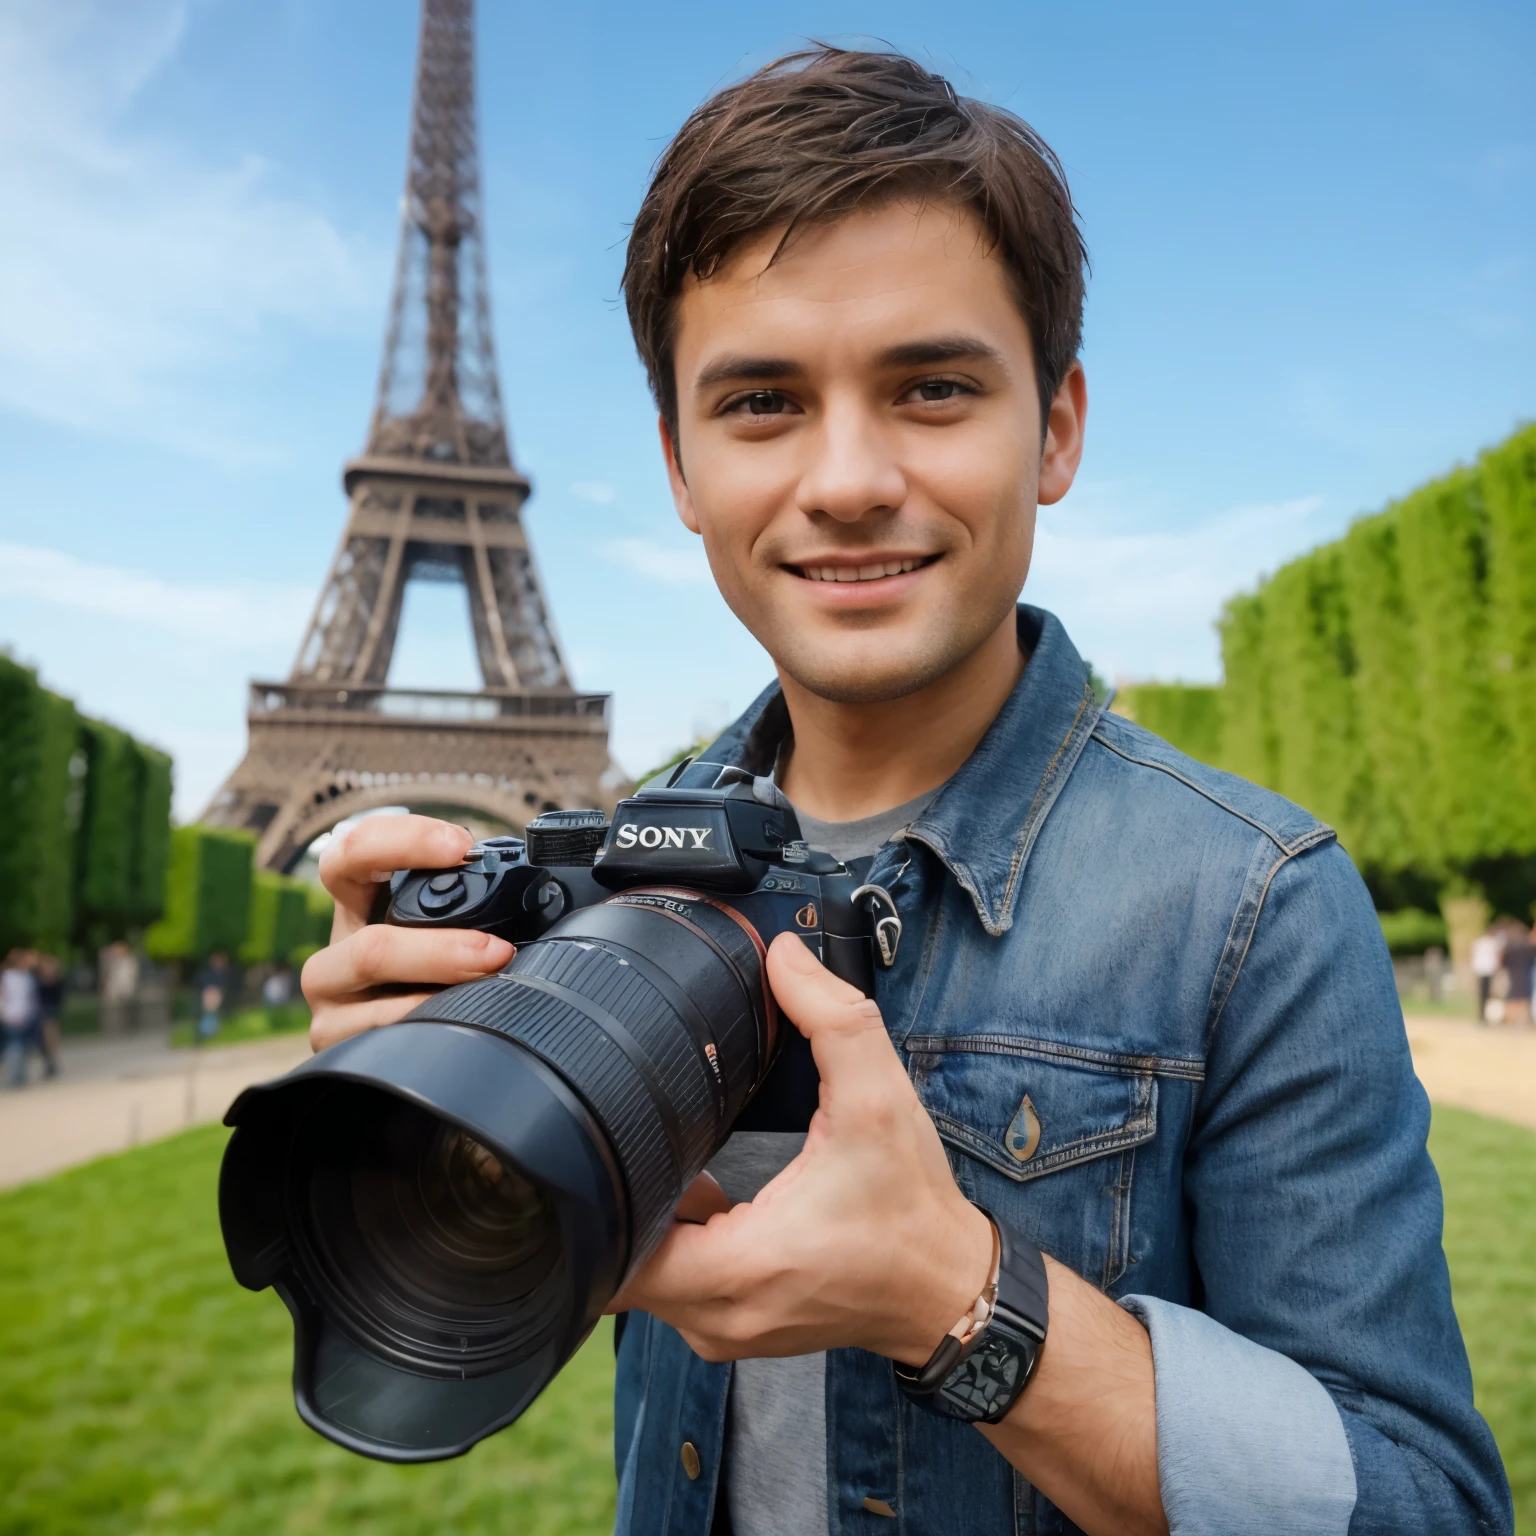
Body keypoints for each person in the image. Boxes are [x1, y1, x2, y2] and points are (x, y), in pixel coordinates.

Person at [299, 48, 1510, 1536]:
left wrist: (955, 1294)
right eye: (761, 402)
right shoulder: (614, 872)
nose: (850, 477)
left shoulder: (1252, 907)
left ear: (1055, 428)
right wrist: (434, 1116)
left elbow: (1424, 1509)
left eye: (932, 387)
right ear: (679, 465)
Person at [2, 948, 40, 1089]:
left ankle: (18, 1075)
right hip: (16, 1015)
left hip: (15, 1015)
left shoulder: (10, 976)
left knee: (19, 1045)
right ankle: (17, 1076)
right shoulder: (19, 977)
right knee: (17, 1046)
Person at [33, 952, 63, 1078]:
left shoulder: (56, 981)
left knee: (50, 1040)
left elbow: (58, 998)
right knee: (42, 1041)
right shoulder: (37, 980)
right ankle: (49, 1064)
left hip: (50, 1013)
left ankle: (51, 1064)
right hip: (38, 1012)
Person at [1498, 921, 1533, 1029]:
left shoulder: (1509, 947)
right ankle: (1514, 1019)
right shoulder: (1527, 947)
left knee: (1514, 997)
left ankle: (1510, 1019)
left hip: (1513, 974)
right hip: (1524, 974)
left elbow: (1503, 962)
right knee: (1521, 998)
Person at [195, 951, 232, 1042]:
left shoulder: (215, 973)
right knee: (209, 1014)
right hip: (210, 994)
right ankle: (207, 1032)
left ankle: (210, 1032)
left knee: (212, 1014)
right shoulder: (210, 973)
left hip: (213, 994)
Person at [1470, 925, 1503, 1023]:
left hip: (1480, 970)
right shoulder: (1493, 943)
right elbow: (1498, 957)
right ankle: (1486, 1014)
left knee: (1482, 994)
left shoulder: (1477, 942)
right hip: (1489, 970)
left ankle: (1482, 1014)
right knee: (1488, 994)